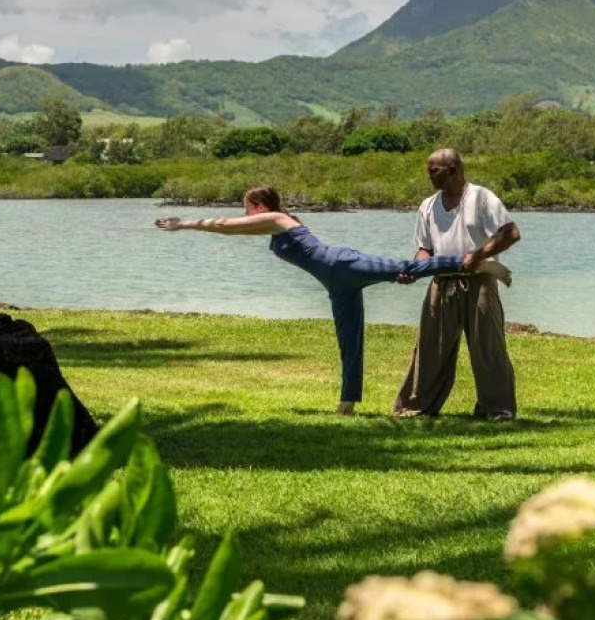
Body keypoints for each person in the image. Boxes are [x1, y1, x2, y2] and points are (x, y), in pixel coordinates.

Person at [155, 185, 496, 415]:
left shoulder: (276, 218)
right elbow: (235, 228)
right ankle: (347, 405)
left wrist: (182, 223)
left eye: (246, 206)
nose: (243, 212)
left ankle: (478, 262)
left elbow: (226, 225)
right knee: (350, 342)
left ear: (258, 205)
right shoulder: (272, 224)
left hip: (341, 264)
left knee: (405, 268)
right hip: (335, 283)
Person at [394, 148, 522, 421]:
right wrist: (416, 269)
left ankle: (497, 409)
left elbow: (510, 233)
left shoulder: (481, 198)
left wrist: (478, 255)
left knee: (488, 347)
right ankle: (418, 406)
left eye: (433, 170)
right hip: (442, 283)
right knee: (430, 348)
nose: (428, 175)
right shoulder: (428, 206)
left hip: (480, 281)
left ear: (453, 169)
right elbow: (424, 248)